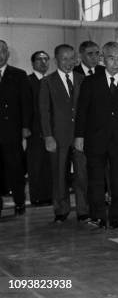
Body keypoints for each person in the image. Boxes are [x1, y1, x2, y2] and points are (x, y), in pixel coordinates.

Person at [74, 42, 118, 229]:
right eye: (112, 58)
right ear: (103, 59)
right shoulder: (90, 82)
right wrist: (79, 136)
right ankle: (98, 216)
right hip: (94, 139)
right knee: (95, 180)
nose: (116, 62)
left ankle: (116, 216)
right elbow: (82, 111)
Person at [39, 44, 89, 223]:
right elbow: (44, 112)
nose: (69, 63)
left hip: (80, 136)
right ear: (56, 60)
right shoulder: (47, 82)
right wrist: (48, 136)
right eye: (64, 59)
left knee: (82, 174)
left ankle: (83, 210)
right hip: (58, 137)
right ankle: (61, 210)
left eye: (71, 58)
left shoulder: (82, 79)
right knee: (59, 174)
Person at [0, 40, 32, 216]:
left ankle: (19, 202)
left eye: (2, 51)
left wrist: (26, 126)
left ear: (7, 54)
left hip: (12, 130)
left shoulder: (19, 75)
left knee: (15, 168)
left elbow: (26, 103)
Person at [26, 50, 53, 206]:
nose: (43, 62)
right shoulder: (27, 81)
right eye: (39, 59)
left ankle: (49, 195)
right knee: (35, 164)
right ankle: (36, 196)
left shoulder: (51, 80)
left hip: (50, 128)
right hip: (34, 129)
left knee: (49, 164)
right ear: (33, 63)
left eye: (46, 59)